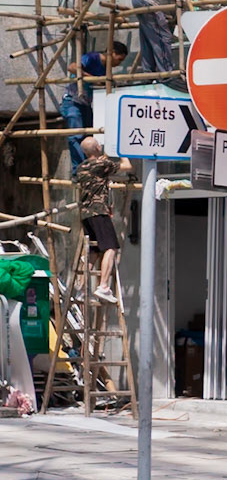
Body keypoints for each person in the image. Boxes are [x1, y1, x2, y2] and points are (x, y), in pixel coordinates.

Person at [75, 137, 132, 306]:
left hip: (85, 213)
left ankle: (80, 289)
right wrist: (123, 151)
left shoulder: (81, 167)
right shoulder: (101, 165)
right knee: (110, 247)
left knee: (93, 252)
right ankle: (104, 287)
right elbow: (128, 167)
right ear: (98, 147)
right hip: (99, 212)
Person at [131, 0, 216, 81]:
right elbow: (184, 20)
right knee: (163, 38)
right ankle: (167, 75)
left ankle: (148, 74)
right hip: (149, 1)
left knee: (149, 39)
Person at [59, 42, 129, 177]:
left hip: (85, 104)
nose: (118, 64)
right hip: (72, 102)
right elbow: (72, 67)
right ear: (111, 53)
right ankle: (78, 172)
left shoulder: (105, 68)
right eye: (119, 59)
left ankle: (87, 169)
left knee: (88, 138)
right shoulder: (91, 58)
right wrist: (92, 78)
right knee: (76, 136)